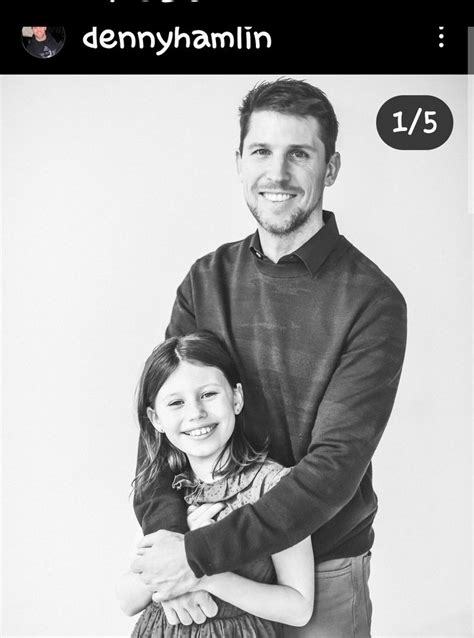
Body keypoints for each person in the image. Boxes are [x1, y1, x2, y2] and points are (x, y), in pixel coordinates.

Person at [131, 78, 407, 637]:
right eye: (261, 151)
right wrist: (173, 543)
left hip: (318, 579)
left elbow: (332, 472)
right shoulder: (207, 281)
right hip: (208, 564)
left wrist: (197, 554)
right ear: (239, 161)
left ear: (329, 169)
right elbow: (162, 425)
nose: (276, 175)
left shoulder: (372, 301)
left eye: (299, 154)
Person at [117, 331, 314, 636]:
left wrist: (199, 571)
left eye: (208, 394)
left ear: (236, 398)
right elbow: (127, 599)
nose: (195, 412)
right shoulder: (163, 490)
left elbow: (299, 607)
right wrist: (173, 553)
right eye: (176, 403)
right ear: (156, 419)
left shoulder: (272, 486)